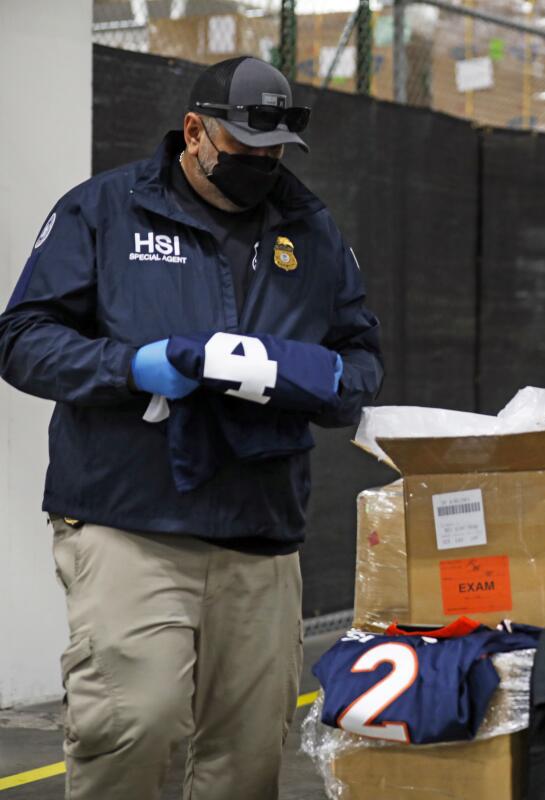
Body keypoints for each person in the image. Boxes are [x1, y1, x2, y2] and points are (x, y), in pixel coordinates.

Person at [0, 56, 383, 799]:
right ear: (194, 132)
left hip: (260, 530)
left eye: (275, 151)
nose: (262, 165)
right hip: (130, 519)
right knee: (133, 724)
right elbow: (21, 339)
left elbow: (360, 358)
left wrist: (323, 379)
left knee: (247, 758)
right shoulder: (104, 211)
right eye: (245, 148)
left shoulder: (311, 230)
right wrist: (129, 367)